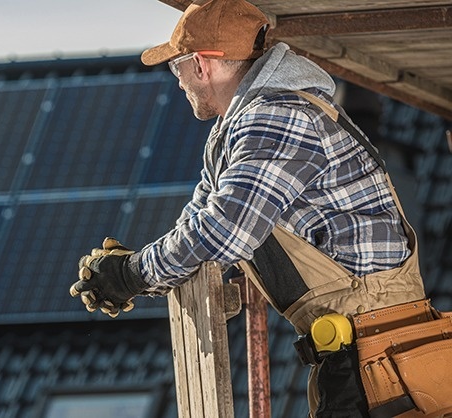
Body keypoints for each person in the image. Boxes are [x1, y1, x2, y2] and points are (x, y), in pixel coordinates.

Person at [69, 1, 443, 417]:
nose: (178, 82)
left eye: (177, 68)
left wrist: (135, 272)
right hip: (357, 350)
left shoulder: (277, 116)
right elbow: (197, 226)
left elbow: (225, 231)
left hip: (379, 352)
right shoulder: (241, 129)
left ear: (202, 65)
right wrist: (134, 272)